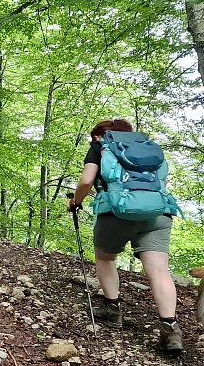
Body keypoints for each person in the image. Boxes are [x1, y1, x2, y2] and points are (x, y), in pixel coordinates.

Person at [67, 119, 184, 354]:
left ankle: (113, 310)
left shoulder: (100, 147)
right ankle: (170, 329)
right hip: (158, 213)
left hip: (116, 212)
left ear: (99, 136)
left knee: (105, 258)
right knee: (159, 270)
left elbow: (87, 180)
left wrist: (75, 202)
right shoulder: (148, 149)